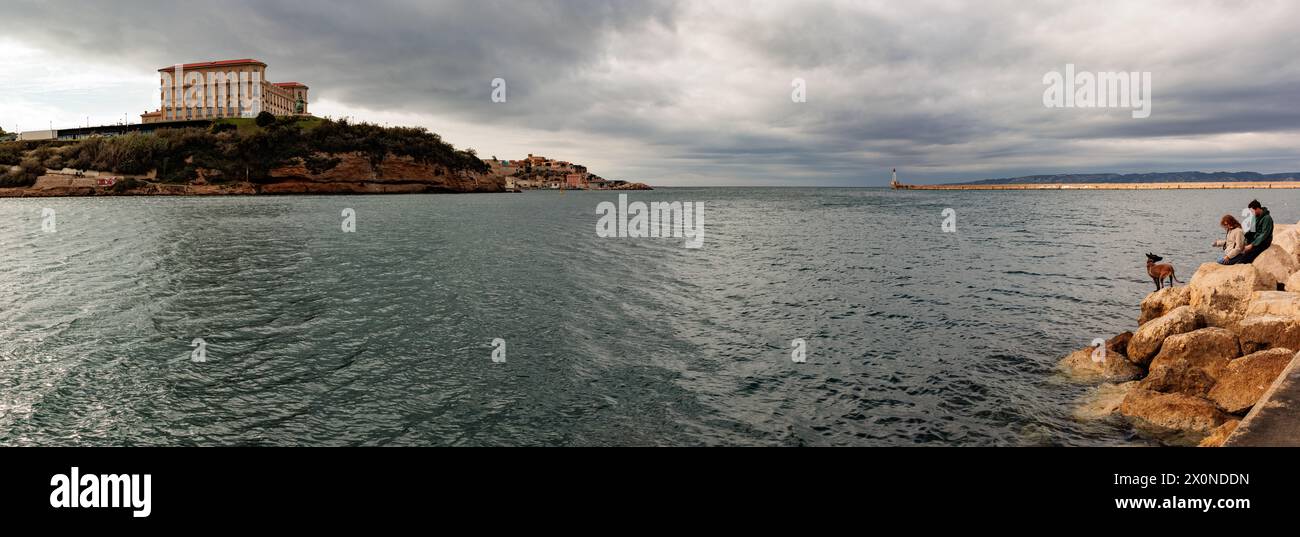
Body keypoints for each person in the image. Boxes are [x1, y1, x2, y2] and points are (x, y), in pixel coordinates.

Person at [1238, 199, 1274, 264]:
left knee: (1248, 255)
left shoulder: (1267, 218)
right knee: (1240, 247)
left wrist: (1252, 245)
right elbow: (1252, 231)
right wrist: (1244, 237)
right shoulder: (1255, 217)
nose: (1251, 213)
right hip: (1255, 239)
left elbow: (1264, 234)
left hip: (1264, 241)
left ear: (1257, 209)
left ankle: (1241, 264)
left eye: (1252, 211)